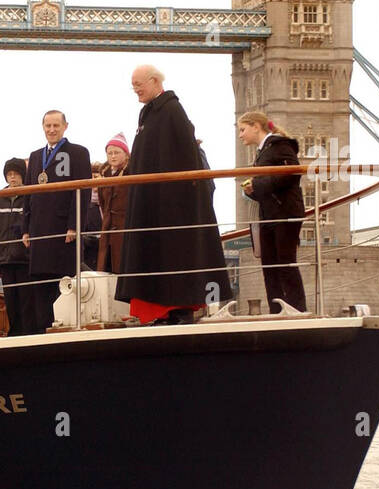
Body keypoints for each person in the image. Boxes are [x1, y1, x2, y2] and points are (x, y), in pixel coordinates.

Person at [115, 65, 232, 325]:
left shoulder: (172, 110)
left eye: (138, 83)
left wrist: (175, 198)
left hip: (169, 204)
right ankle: (156, 310)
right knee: (152, 254)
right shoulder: (148, 114)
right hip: (150, 201)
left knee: (172, 256)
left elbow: (186, 157)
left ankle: (177, 309)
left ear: (154, 81)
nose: (135, 89)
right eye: (132, 84)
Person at [21, 110, 92, 333]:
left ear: (65, 126)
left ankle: (66, 326)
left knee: (64, 282)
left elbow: (82, 192)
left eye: (56, 126)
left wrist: (75, 224)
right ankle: (43, 328)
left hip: (64, 230)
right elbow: (28, 194)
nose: (51, 130)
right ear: (42, 127)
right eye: (48, 126)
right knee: (41, 283)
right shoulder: (34, 156)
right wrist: (26, 228)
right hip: (39, 230)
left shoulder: (78, 152)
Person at [239, 111, 307, 313]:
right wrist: (252, 190)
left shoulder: (280, 146)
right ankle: (276, 310)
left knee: (285, 264)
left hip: (285, 213)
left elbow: (291, 174)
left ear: (256, 127)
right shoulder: (263, 152)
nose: (240, 135)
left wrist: (257, 185)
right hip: (269, 214)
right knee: (269, 267)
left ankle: (297, 310)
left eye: (243, 130)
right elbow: (267, 187)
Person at [0, 157, 33, 336]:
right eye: (9, 174)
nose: (13, 178)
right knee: (11, 299)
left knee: (26, 300)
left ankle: (28, 333)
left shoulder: (29, 196)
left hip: (25, 259)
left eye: (16, 174)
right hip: (5, 258)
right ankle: (14, 333)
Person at [96, 133, 131, 274]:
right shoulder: (104, 175)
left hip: (125, 226)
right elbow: (102, 202)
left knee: (122, 265)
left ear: (126, 154)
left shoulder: (131, 173)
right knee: (106, 266)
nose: (113, 156)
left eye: (117, 152)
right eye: (109, 153)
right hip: (108, 227)